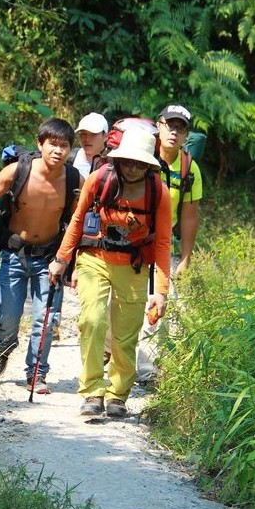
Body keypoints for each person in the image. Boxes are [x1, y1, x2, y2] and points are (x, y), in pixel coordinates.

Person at [49, 121, 172, 418]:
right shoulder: (99, 180)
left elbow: (164, 242)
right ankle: (92, 390)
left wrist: (161, 292)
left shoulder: (159, 193)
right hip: (95, 258)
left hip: (134, 266)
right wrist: (61, 259)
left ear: (149, 167)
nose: (131, 169)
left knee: (125, 335)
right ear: (118, 158)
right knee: (91, 320)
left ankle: (118, 394)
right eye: (127, 162)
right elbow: (78, 221)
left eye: (138, 164)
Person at [0, 119, 81, 393]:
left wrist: (71, 261)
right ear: (40, 144)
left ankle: (36, 373)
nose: (58, 151)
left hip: (50, 258)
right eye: (52, 144)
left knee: (47, 319)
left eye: (64, 146)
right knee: (9, 319)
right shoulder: (18, 171)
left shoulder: (74, 181)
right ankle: (2, 349)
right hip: (15, 255)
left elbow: (78, 220)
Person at [134, 104, 204, 383]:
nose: (174, 132)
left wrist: (185, 257)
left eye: (181, 127)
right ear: (158, 126)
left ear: (187, 134)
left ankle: (147, 371)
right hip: (127, 241)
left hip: (160, 245)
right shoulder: (140, 156)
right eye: (169, 125)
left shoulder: (189, 168)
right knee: (122, 304)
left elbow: (189, 216)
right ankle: (113, 356)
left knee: (156, 303)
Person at [72, 112, 108, 179]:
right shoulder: (70, 158)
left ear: (105, 136)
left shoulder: (113, 163)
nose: (87, 139)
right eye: (83, 134)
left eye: (93, 134)